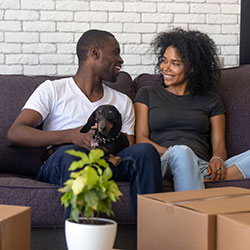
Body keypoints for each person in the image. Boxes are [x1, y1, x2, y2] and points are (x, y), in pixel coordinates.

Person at [6, 29, 163, 212]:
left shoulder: (122, 101)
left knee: (145, 151)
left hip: (105, 162)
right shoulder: (52, 90)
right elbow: (15, 134)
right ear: (94, 53)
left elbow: (128, 148)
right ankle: (86, 235)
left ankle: (153, 235)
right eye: (116, 52)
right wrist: (71, 136)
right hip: (62, 162)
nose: (121, 60)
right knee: (71, 153)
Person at [134, 28, 250, 191]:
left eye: (175, 64)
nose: (165, 68)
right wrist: (176, 154)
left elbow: (219, 146)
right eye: (164, 60)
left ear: (192, 68)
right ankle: (197, 203)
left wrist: (216, 159)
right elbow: (141, 139)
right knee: (182, 153)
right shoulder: (147, 93)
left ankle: (201, 177)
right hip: (163, 161)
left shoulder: (211, 100)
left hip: (202, 165)